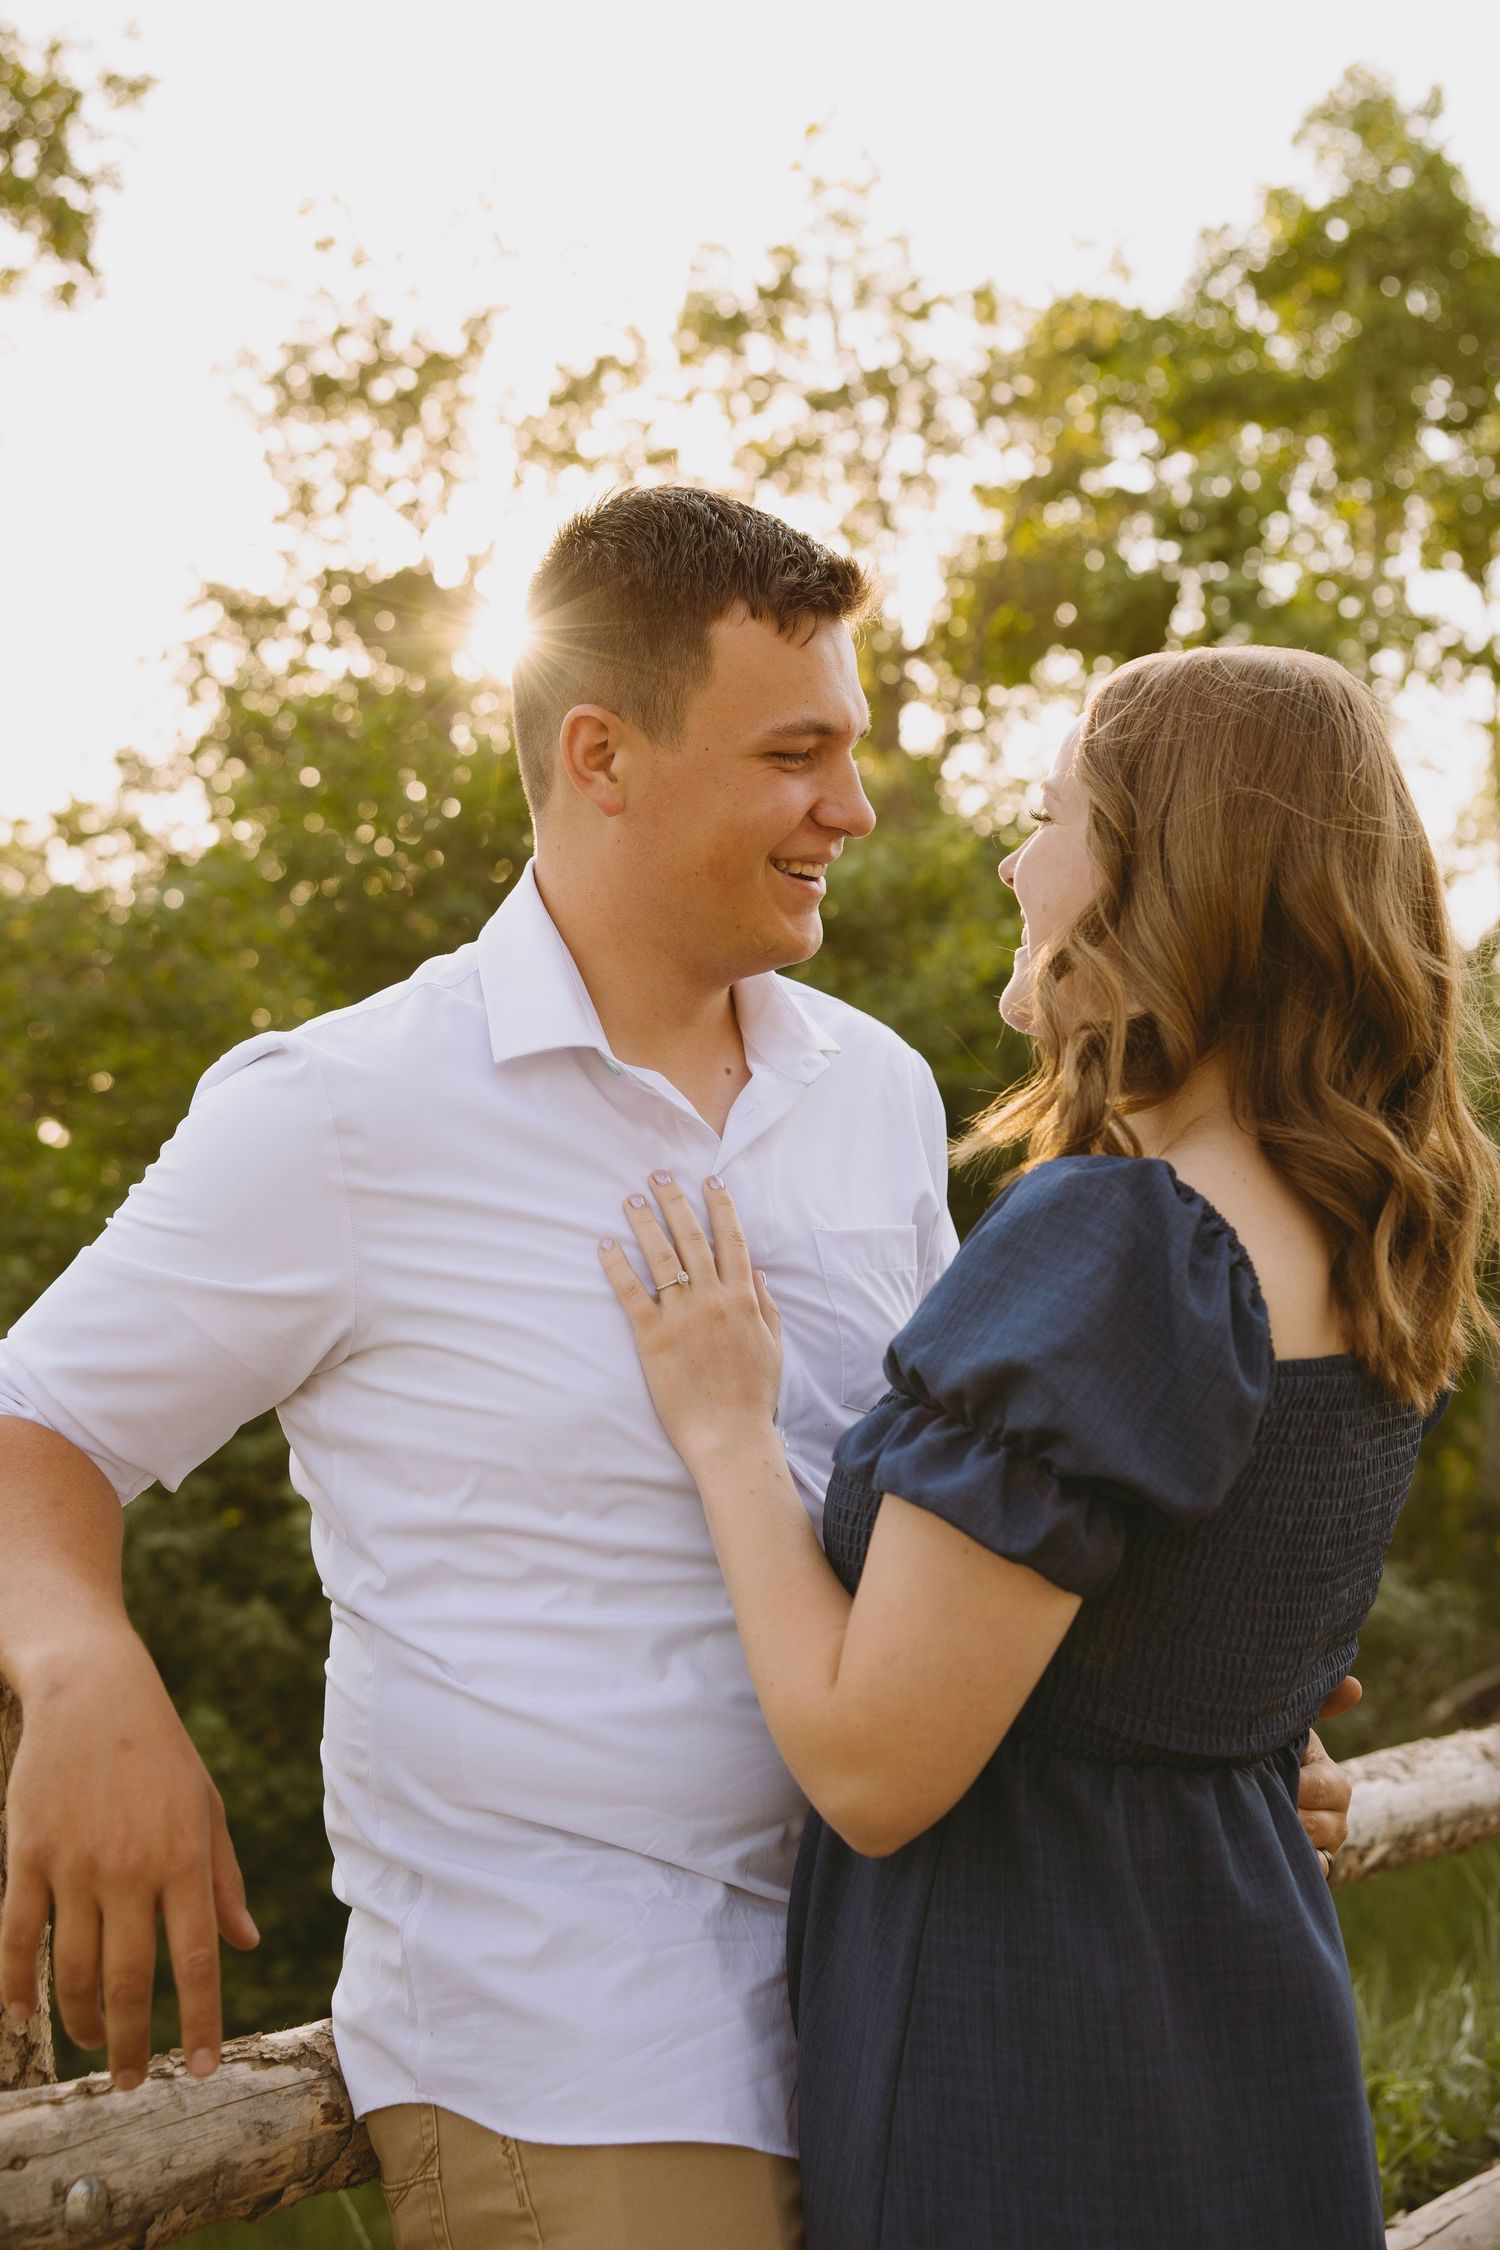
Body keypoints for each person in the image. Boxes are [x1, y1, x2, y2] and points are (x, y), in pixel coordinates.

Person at [0, 497, 1351, 2250]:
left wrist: (1186, 1721)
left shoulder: (868, 1089)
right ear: (601, 754)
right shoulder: (340, 1112)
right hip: (589, 2053)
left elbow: (981, 1513)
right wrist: (81, 1650)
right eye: (797, 754)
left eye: (852, 752)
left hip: (915, 2006)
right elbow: (42, 1417)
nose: (853, 811)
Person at [601, 643, 1499, 2250]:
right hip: (1240, 2023)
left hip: (1031, 2073)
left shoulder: (1122, 1243)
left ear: (1178, 874)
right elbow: (1186, 1657)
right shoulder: (1371, 1244)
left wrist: (727, 1426)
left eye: (1051, 812)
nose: (1016, 858)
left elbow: (873, 1767)